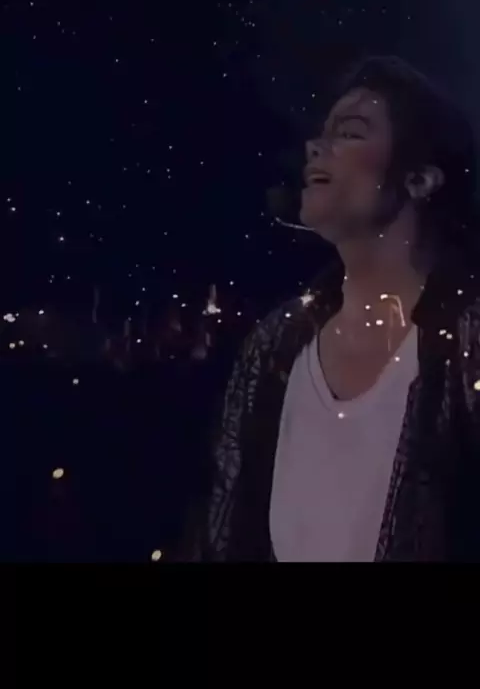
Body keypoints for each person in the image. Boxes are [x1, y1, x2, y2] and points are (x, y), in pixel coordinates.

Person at [181, 56, 480, 562]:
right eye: (323, 132)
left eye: (351, 132)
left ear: (420, 179)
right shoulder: (276, 344)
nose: (315, 147)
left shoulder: (469, 343)